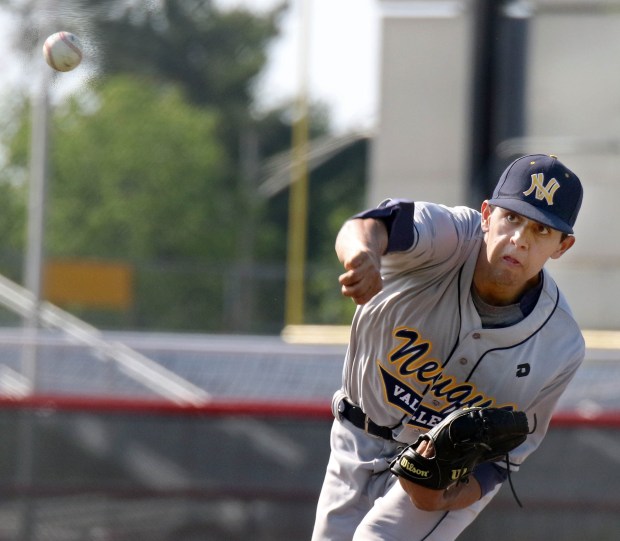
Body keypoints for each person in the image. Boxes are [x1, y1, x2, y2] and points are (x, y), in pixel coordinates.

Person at [311, 154, 585, 541]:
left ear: (563, 246)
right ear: (487, 214)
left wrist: (445, 497)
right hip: (353, 437)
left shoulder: (560, 345)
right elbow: (371, 224)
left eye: (541, 230)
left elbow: (503, 462)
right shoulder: (448, 236)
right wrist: (364, 254)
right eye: (513, 218)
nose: (520, 239)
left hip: (443, 472)